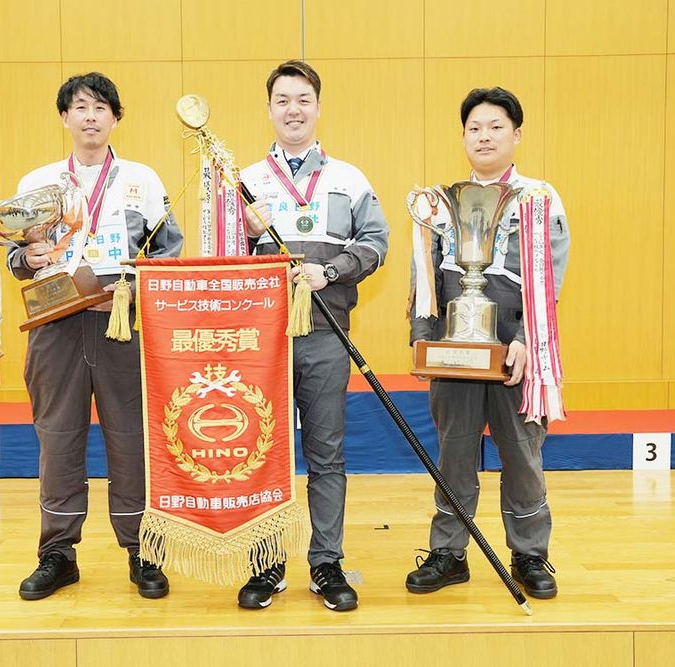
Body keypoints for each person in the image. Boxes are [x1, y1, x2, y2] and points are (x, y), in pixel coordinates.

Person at [9, 72, 183, 601]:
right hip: (55, 325)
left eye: (101, 107)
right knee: (57, 438)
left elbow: (168, 253)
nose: (90, 116)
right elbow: (19, 257)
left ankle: (142, 550)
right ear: (64, 117)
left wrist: (131, 282)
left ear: (115, 118)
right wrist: (28, 257)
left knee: (130, 438)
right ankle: (57, 554)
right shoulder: (37, 184)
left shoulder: (143, 180)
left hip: (118, 324)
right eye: (80, 107)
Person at [405, 87, 570, 600]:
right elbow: (425, 274)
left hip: (518, 350)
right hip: (455, 349)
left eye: (496, 126)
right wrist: (423, 339)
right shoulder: (438, 203)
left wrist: (525, 338)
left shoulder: (539, 199)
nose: (484, 135)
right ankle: (449, 552)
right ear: (463, 137)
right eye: (475, 127)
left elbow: (551, 277)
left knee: (522, 452)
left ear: (516, 135)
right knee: (454, 450)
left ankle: (530, 554)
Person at [238, 60, 390, 612]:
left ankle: (326, 561)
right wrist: (248, 239)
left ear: (318, 106)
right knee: (262, 452)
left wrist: (331, 271)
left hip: (327, 334)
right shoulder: (246, 182)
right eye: (282, 99)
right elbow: (222, 261)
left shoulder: (349, 179)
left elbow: (377, 244)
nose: (293, 109)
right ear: (270, 108)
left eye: (303, 99)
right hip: (261, 339)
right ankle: (265, 563)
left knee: (326, 454)